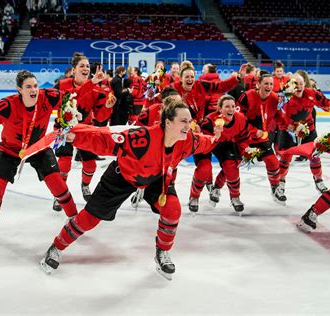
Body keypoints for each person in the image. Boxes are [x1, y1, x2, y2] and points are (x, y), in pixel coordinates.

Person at [39, 100, 221, 280]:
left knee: (172, 210)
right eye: (183, 121)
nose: (188, 126)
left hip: (156, 179)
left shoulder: (188, 141)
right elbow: (105, 141)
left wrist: (216, 137)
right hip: (122, 177)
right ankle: (56, 247)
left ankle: (162, 253)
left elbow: (207, 142)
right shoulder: (142, 138)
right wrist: (76, 137)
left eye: (189, 121)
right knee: (90, 219)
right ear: (168, 122)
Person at [0, 70, 80, 239]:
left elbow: (70, 101)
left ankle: (74, 216)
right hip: (10, 149)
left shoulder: (49, 96)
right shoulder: (7, 105)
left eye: (36, 86)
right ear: (19, 89)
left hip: (38, 147)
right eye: (28, 87)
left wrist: (66, 120)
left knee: (56, 182)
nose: (34, 90)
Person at [54, 53, 116, 209]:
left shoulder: (97, 89)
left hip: (85, 128)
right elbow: (71, 102)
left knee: (90, 165)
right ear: (73, 69)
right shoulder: (62, 85)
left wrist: (107, 108)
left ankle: (85, 185)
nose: (86, 68)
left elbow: (100, 116)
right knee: (64, 163)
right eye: (82, 66)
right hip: (65, 127)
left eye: (88, 66)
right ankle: (60, 194)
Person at [278, 73, 330, 195]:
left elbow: (324, 101)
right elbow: (279, 117)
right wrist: (291, 127)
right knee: (285, 157)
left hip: (308, 130)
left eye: (301, 84)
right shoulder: (284, 98)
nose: (299, 86)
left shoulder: (311, 93)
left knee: (315, 155)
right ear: (290, 85)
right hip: (288, 132)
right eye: (296, 84)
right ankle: (281, 182)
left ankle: (318, 180)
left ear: (305, 84)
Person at [189, 95, 251, 213]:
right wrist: (215, 137)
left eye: (233, 106)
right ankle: (194, 197)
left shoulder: (241, 119)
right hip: (207, 144)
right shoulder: (208, 121)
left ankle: (234, 197)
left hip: (225, 144)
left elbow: (243, 139)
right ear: (219, 109)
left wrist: (246, 149)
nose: (231, 109)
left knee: (232, 168)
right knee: (204, 169)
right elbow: (203, 145)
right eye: (227, 106)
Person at [237, 74, 287, 204]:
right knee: (231, 166)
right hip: (244, 138)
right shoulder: (246, 96)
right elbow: (237, 118)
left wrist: (291, 126)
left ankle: (275, 189)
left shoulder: (276, 98)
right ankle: (219, 189)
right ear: (258, 84)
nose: (269, 86)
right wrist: (253, 131)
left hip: (261, 138)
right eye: (266, 83)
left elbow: (280, 116)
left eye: (271, 84)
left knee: (273, 162)